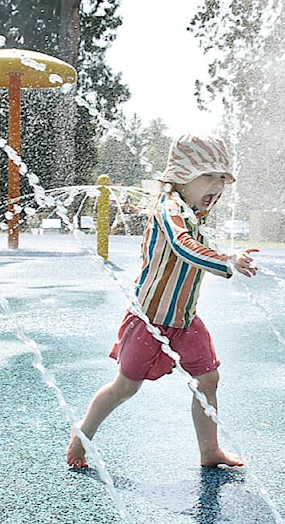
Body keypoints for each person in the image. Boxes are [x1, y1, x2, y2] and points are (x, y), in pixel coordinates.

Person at [67, 133, 259, 469]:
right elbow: (182, 246)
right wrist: (226, 261)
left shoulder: (196, 211)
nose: (217, 185)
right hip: (149, 320)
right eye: (208, 176)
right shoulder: (169, 209)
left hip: (185, 321)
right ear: (183, 176)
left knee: (209, 379)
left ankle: (209, 450)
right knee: (125, 387)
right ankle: (81, 435)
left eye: (222, 178)